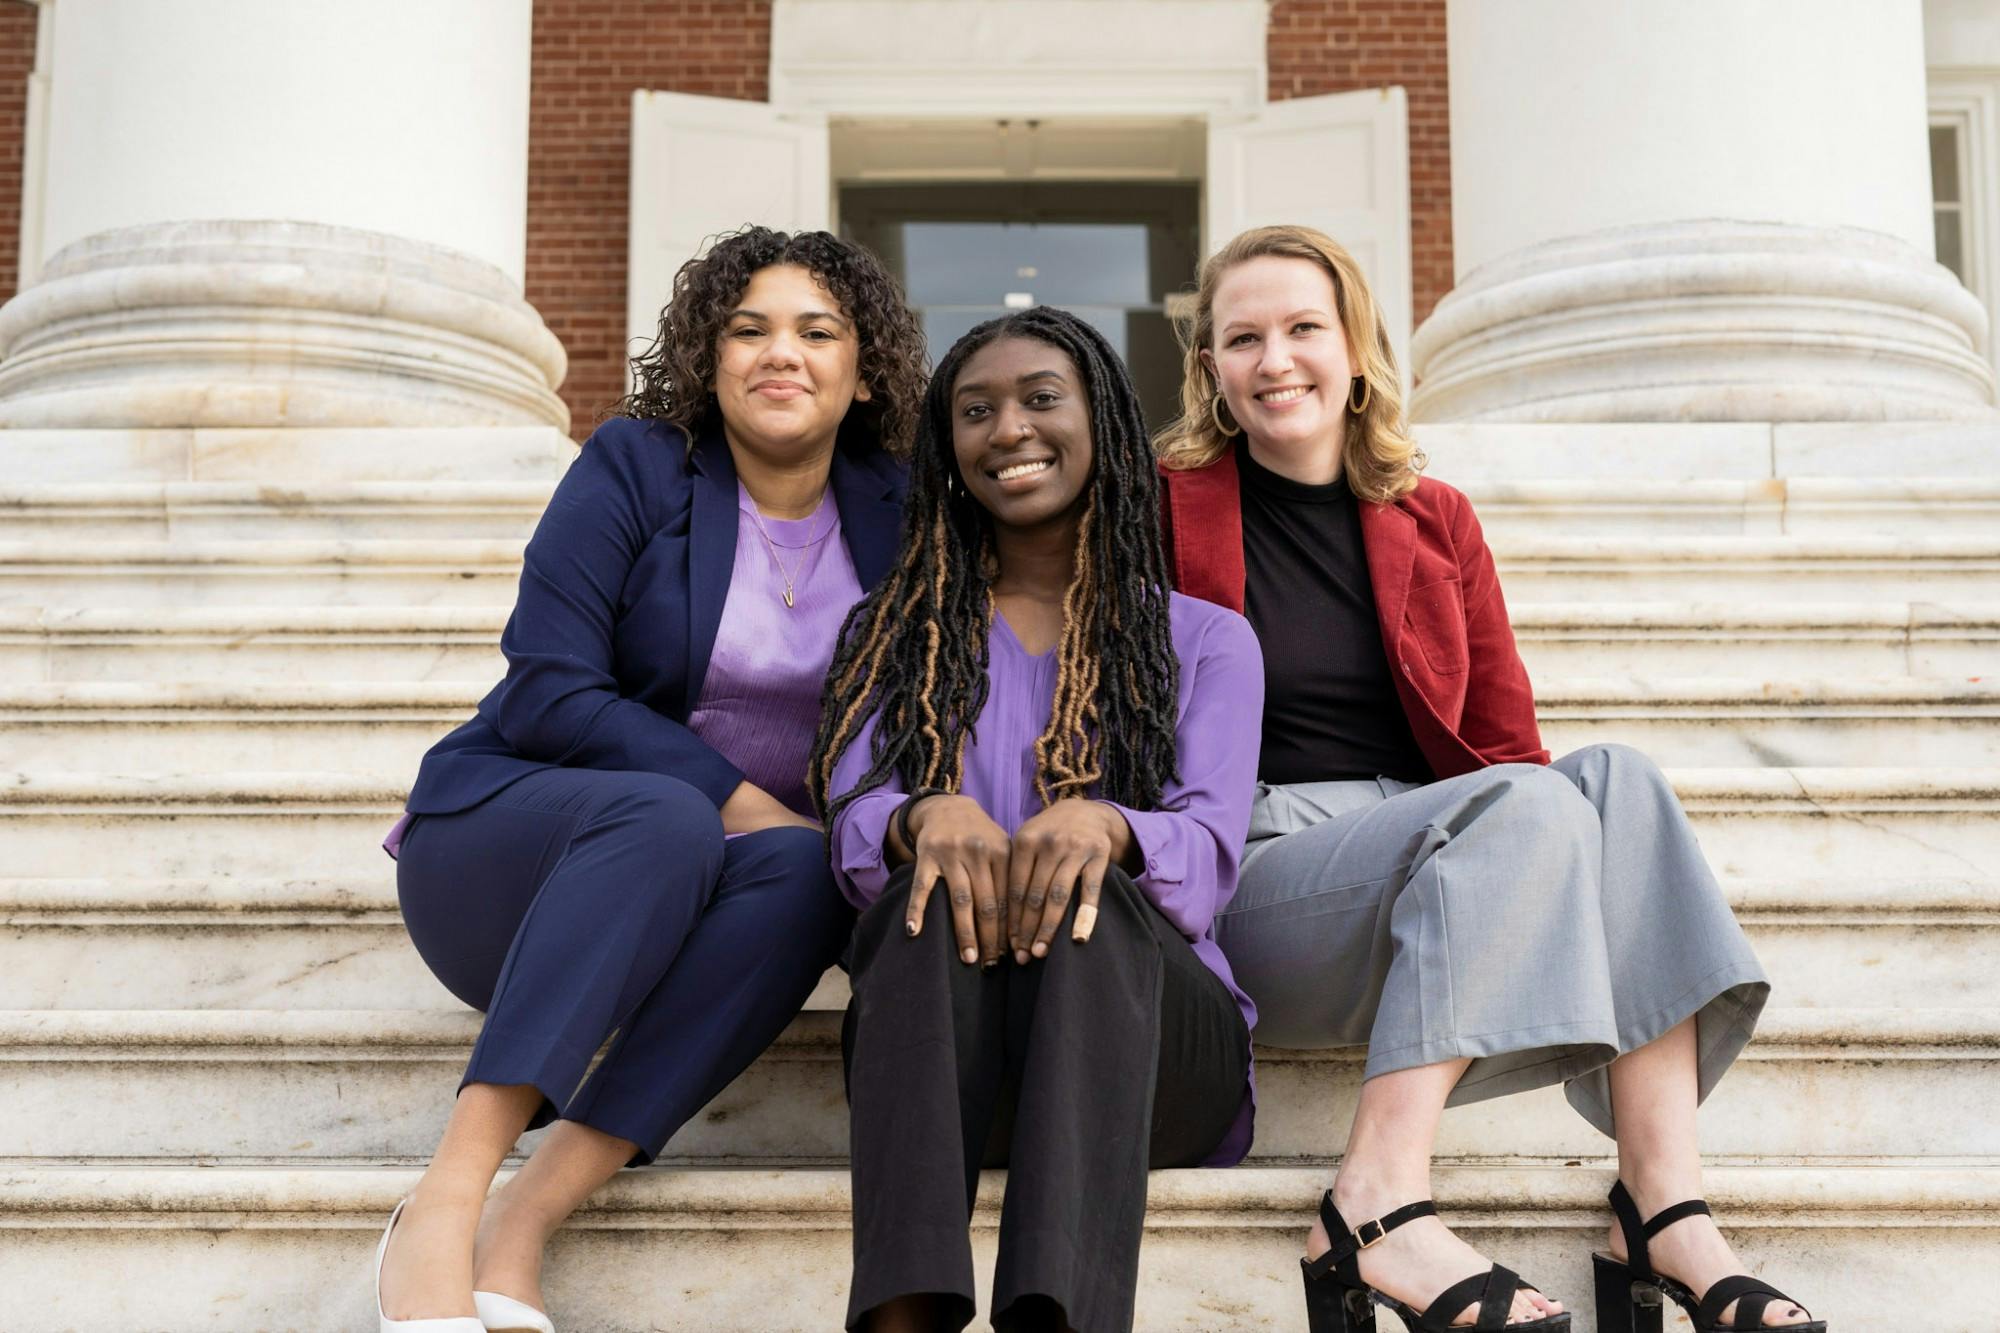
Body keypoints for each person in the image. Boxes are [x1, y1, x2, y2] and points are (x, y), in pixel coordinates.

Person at [1155, 225, 1819, 1332]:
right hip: (1256, 868)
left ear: (1355, 347)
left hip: (1431, 854)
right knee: (1523, 803)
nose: (1275, 359)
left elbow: (1508, 745)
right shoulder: (1157, 509)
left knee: (1617, 782)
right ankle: (1372, 1201)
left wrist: (1547, 840)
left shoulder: (1434, 516)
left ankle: (1660, 1204)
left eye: (1303, 328)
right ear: (1212, 371)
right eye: (1243, 338)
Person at [371, 226, 927, 1333]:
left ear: (862, 370)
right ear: (706, 356)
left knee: (809, 870)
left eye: (817, 331)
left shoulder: (901, 512)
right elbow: (546, 686)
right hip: (516, 861)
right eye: (748, 328)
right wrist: (737, 798)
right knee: (673, 813)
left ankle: (523, 1221)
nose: (782, 353)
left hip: (717, 903)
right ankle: (444, 1198)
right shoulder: (634, 464)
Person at [809, 306, 1262, 1333]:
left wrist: (1110, 826)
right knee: (924, 888)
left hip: (1144, 1063)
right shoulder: (887, 638)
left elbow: (1207, 860)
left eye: (1039, 399)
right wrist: (919, 815)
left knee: (1085, 885)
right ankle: (902, 1318)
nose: (1007, 428)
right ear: (946, 449)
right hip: (948, 1062)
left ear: (1099, 418)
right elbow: (845, 835)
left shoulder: (1204, 641)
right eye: (975, 411)